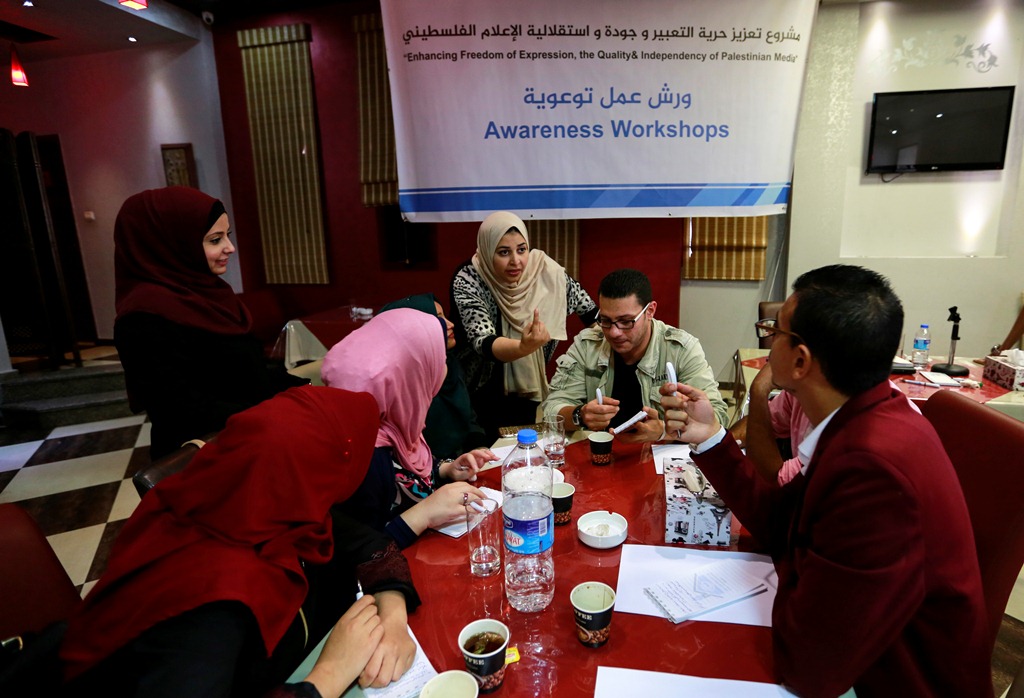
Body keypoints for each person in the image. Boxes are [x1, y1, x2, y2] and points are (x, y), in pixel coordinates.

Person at [659, 264, 991, 697]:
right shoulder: (863, 417)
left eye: (775, 331)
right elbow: (782, 522)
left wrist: (793, 570)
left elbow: (808, 668)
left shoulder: (872, 469)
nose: (768, 341)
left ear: (800, 361)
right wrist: (710, 436)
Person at [60, 386, 421, 698]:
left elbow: (370, 547)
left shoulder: (269, 497)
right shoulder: (215, 600)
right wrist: (330, 675)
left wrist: (392, 619)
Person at [113, 186, 304, 460]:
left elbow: (245, 372)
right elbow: (182, 408)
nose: (230, 248)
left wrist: (302, 389)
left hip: (254, 435)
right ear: (171, 244)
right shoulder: (143, 318)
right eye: (215, 240)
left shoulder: (210, 293)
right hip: (205, 454)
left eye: (228, 235)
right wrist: (276, 411)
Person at [321, 308, 495, 550]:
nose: (442, 368)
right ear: (407, 373)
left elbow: (406, 472)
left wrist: (446, 469)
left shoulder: (391, 417)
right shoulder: (362, 456)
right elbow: (364, 555)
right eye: (435, 360)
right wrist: (424, 514)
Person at [450, 211, 598, 438]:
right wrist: (522, 347)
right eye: (503, 252)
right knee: (484, 451)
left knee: (523, 447)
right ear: (487, 250)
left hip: (528, 390)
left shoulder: (545, 272)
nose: (516, 261)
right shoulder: (470, 278)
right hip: (478, 390)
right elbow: (483, 342)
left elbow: (592, 313)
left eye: (521, 249)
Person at [541, 268, 727, 443]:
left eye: (626, 321)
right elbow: (551, 410)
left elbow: (717, 420)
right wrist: (580, 415)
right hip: (603, 454)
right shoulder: (587, 346)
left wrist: (664, 432)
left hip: (659, 455)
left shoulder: (681, 350)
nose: (614, 332)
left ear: (650, 311)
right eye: (605, 320)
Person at [379, 293, 488, 459]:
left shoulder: (448, 363)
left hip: (462, 462)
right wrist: (444, 467)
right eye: (438, 318)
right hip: (424, 468)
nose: (450, 324)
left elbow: (469, 419)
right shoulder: (400, 383)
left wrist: (479, 447)